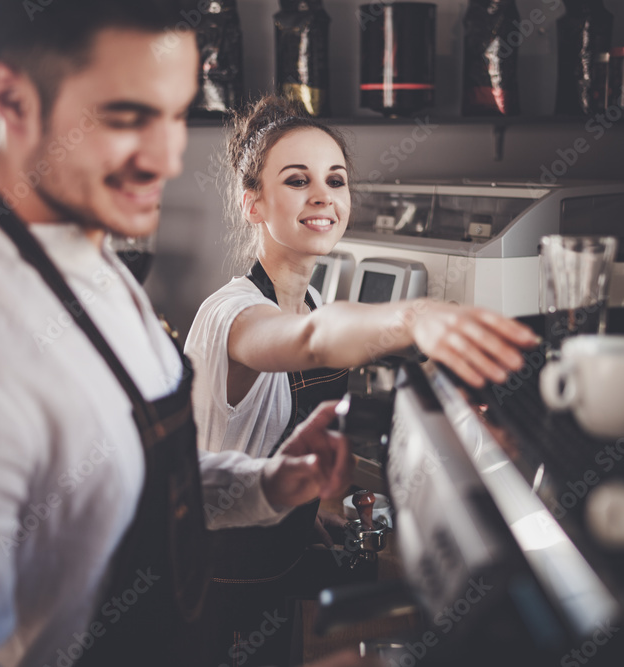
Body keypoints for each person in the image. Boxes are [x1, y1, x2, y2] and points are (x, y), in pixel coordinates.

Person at [0, 3, 369, 666]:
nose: (167, 158)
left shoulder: (101, 280)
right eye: (127, 115)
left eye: (173, 112)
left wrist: (269, 483)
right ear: (12, 97)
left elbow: (123, 481)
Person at [182, 95, 539, 664]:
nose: (323, 195)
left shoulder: (315, 298)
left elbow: (317, 342)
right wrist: (417, 316)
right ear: (253, 204)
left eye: (336, 180)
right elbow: (313, 339)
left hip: (274, 560)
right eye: (297, 180)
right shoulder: (231, 314)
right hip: (221, 581)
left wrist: (314, 510)